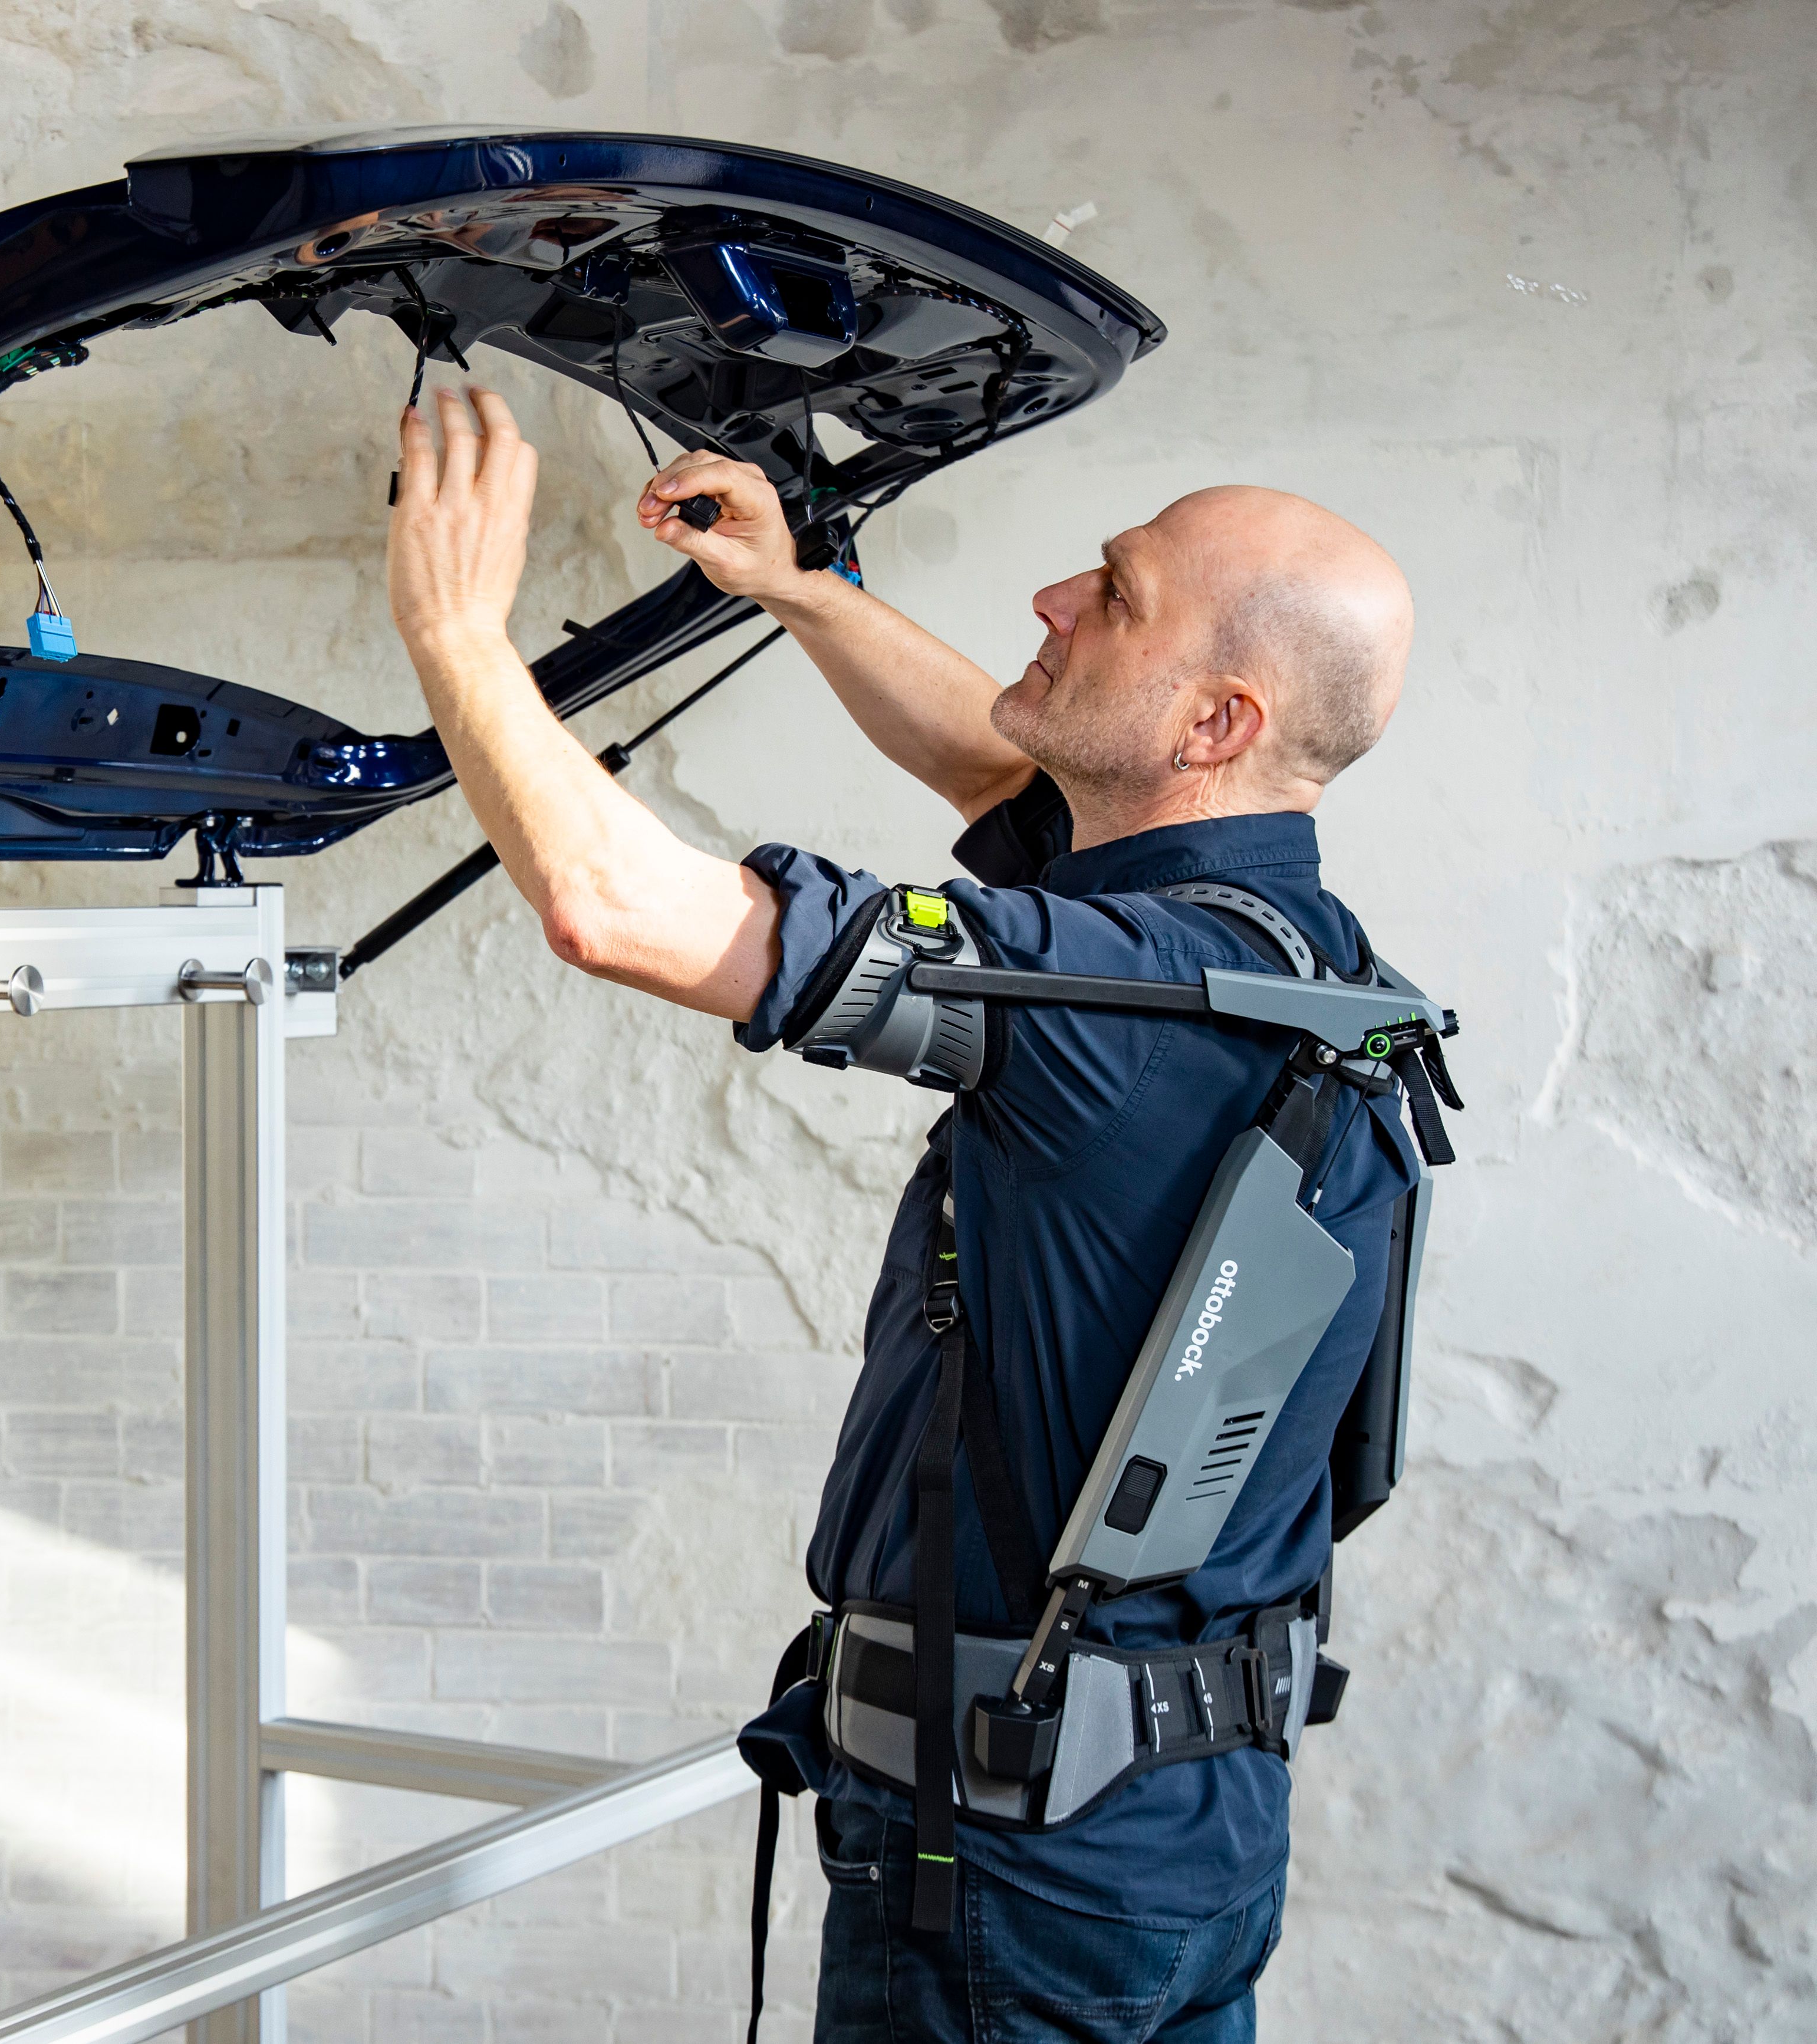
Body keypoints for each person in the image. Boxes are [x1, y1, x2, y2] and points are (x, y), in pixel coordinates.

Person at [381, 385, 1424, 2042]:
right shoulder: (1291, 957)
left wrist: (453, 628)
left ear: (1215, 722)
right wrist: (803, 591)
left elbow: (612, 905)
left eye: (1115, 593)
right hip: (1186, 1833)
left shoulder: (1113, 999)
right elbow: (1001, 755)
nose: (1051, 600)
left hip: (1007, 1875)